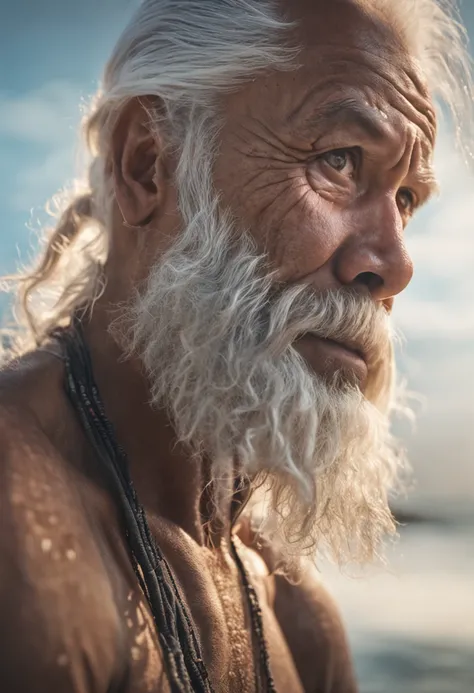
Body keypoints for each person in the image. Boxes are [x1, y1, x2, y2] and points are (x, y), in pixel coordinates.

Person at [0, 0, 471, 691]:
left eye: (403, 199)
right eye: (340, 160)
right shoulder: (24, 535)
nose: (394, 265)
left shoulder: (297, 615)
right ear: (149, 164)